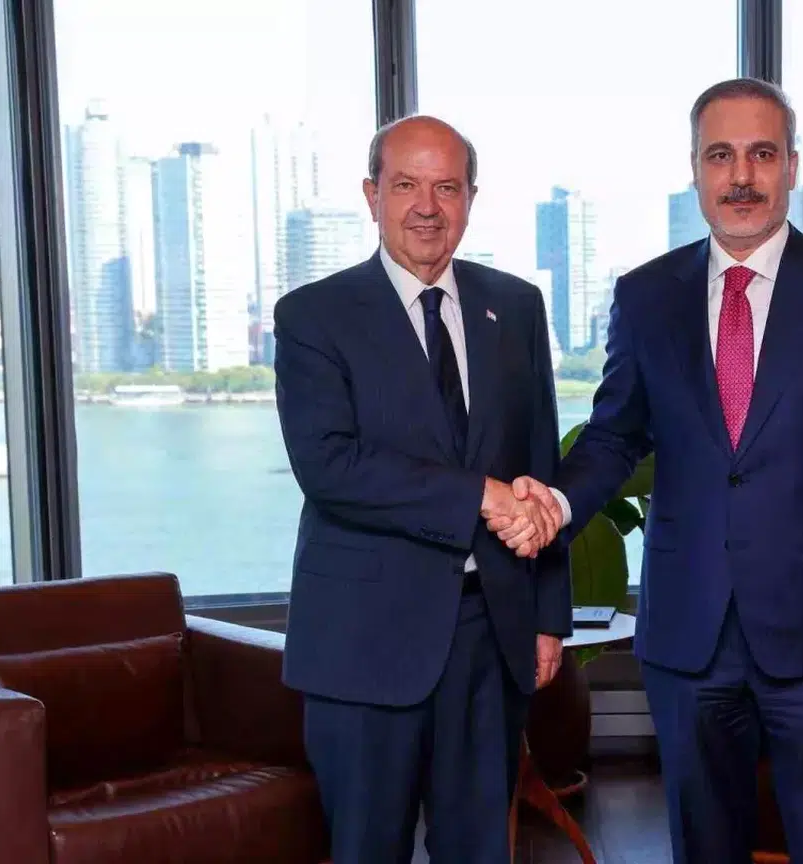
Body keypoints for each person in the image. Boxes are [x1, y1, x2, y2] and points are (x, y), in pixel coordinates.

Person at [500, 78, 803, 863]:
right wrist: (557, 502)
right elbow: (614, 437)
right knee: (703, 847)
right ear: (695, 169)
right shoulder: (645, 296)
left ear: (791, 166)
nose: (741, 176)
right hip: (687, 633)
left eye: (761, 154)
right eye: (721, 155)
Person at [272, 114, 571, 864]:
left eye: (447, 187)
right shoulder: (313, 316)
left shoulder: (517, 306)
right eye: (406, 185)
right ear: (371, 194)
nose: (427, 207)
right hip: (364, 641)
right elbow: (330, 468)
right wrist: (479, 496)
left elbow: (539, 464)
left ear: (471, 198)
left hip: (489, 635)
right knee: (367, 848)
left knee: (480, 850)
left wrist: (547, 618)